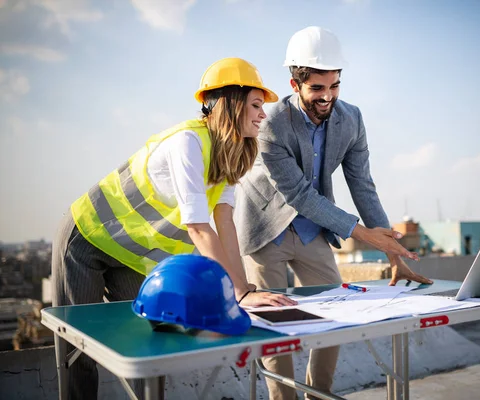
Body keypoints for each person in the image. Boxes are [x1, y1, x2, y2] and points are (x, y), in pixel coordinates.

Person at [51, 57, 296, 400]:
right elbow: (199, 228)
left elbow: (224, 224)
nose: (262, 114)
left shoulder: (228, 154)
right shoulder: (188, 143)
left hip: (131, 255)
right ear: (230, 102)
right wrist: (237, 294)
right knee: (77, 348)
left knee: (152, 345)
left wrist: (244, 290)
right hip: (86, 240)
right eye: (256, 104)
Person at [234, 27, 433, 399]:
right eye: (317, 89)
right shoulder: (270, 122)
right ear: (295, 84)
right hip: (265, 228)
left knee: (336, 319)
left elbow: (363, 184)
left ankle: (317, 395)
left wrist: (392, 251)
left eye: (334, 86)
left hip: (314, 229)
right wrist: (361, 233)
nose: (327, 96)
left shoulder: (352, 119)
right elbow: (298, 194)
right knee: (276, 326)